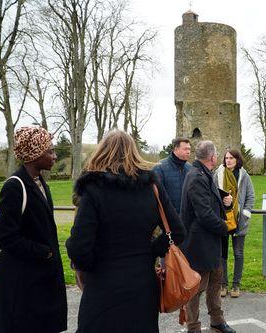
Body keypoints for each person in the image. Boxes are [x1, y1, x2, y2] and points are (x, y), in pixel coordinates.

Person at [66, 130, 185, 333]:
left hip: (103, 285)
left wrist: (93, 267)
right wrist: (151, 251)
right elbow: (177, 231)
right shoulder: (151, 187)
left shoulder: (94, 189)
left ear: (102, 151)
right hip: (142, 285)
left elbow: (78, 247)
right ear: (133, 152)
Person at [0, 126, 67, 333]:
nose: (54, 156)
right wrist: (44, 252)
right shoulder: (15, 186)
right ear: (34, 155)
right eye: (50, 151)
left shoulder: (39, 183)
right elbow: (4, 237)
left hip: (38, 279)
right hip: (22, 285)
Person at [180, 140, 236, 333]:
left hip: (211, 243)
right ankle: (193, 327)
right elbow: (203, 214)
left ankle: (217, 321)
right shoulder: (196, 176)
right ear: (212, 157)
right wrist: (225, 226)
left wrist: (224, 202)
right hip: (199, 245)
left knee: (215, 284)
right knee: (196, 288)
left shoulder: (204, 173)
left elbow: (209, 203)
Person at [213, 149, 255, 298]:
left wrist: (245, 213)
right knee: (222, 254)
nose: (228, 160)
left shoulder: (244, 176)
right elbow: (212, 195)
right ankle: (223, 284)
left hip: (239, 221)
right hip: (222, 220)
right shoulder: (217, 175)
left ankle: (236, 285)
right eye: (226, 158)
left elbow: (250, 196)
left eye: (231, 158)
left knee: (238, 253)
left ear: (237, 159)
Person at [153, 137, 192, 213]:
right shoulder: (159, 167)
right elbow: (155, 196)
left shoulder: (190, 168)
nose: (188, 152)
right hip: (168, 218)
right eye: (185, 149)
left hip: (188, 218)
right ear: (176, 149)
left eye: (189, 149)